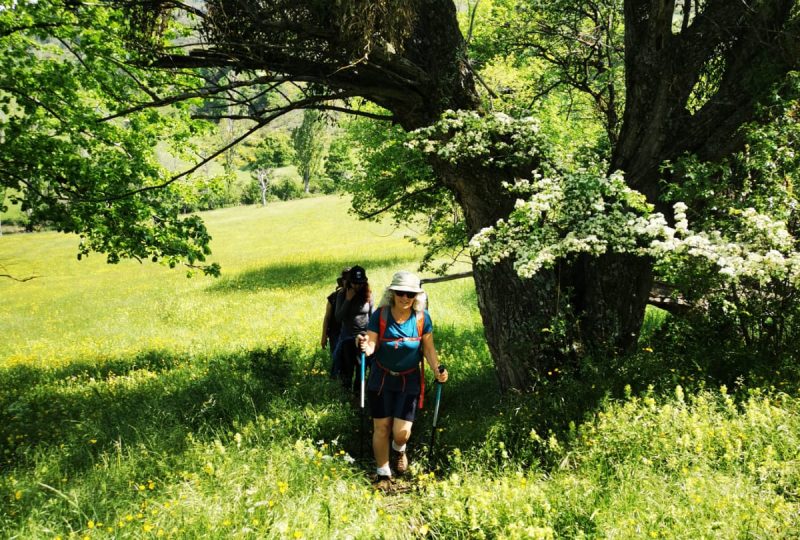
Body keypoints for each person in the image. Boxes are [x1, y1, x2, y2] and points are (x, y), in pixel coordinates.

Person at [356, 270, 448, 490]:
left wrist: (438, 370)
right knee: (382, 427)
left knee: (401, 432)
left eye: (410, 294)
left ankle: (399, 449)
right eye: (401, 292)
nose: (405, 298)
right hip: (381, 378)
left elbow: (428, 348)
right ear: (392, 293)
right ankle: (383, 474)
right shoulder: (381, 315)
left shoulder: (422, 318)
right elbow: (370, 345)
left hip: (409, 380)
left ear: (417, 296)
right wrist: (363, 345)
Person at [334, 265, 374, 394]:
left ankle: (359, 395)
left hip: (364, 337)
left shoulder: (368, 294)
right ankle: (346, 397)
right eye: (355, 283)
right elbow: (338, 317)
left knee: (361, 368)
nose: (357, 286)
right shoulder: (342, 294)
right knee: (347, 369)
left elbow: (372, 315)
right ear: (349, 282)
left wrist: (372, 336)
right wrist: (348, 300)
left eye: (360, 283)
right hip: (348, 337)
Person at [321, 267, 349, 378]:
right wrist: (323, 336)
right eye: (345, 279)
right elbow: (327, 317)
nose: (347, 282)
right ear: (342, 281)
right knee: (337, 357)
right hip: (335, 332)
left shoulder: (358, 297)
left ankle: (343, 382)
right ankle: (335, 380)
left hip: (349, 333)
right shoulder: (334, 297)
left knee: (348, 360)